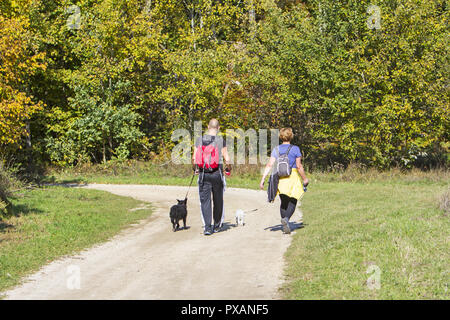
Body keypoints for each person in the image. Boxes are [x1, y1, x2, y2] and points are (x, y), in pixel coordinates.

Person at [259, 128, 309, 234]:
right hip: (293, 177)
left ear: (281, 137)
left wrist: (263, 179)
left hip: (280, 178)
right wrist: (305, 178)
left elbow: (269, 165)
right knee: (293, 200)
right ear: (291, 136)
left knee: (284, 202)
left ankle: (284, 221)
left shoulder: (276, 149)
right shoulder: (295, 149)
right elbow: (299, 166)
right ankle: (286, 219)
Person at [193, 119, 231, 236]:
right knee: (218, 200)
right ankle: (217, 225)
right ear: (218, 128)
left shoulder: (199, 140)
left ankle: (207, 227)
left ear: (208, 126)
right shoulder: (220, 140)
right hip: (217, 173)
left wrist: (196, 169)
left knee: (205, 201)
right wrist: (228, 169)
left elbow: (194, 158)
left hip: (204, 174)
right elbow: (227, 159)